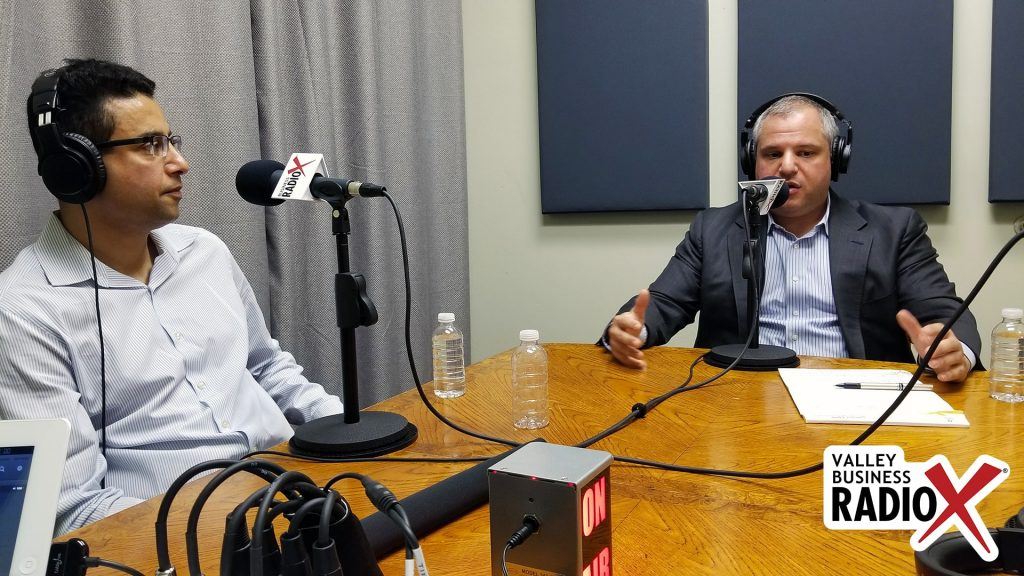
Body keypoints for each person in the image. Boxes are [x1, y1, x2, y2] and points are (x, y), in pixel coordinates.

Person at [0, 59, 343, 533]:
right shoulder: (22, 312)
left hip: (299, 494)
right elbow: (72, 509)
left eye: (171, 141)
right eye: (150, 145)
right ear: (76, 167)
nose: (180, 163)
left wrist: (352, 434)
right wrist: (230, 527)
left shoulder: (205, 251)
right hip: (179, 535)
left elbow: (269, 369)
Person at [604, 93, 981, 382]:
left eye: (805, 152)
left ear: (835, 160)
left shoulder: (894, 230)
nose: (786, 166)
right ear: (752, 160)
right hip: (738, 400)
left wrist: (953, 351)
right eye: (772, 153)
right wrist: (632, 329)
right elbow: (661, 302)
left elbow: (944, 314)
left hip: (854, 404)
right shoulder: (714, 229)